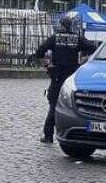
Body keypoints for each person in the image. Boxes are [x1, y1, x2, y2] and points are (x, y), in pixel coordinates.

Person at [33, 16, 96, 144]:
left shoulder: (55, 38)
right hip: (72, 76)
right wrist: (82, 63)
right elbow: (93, 49)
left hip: (57, 75)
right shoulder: (77, 38)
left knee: (54, 104)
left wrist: (47, 65)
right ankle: (74, 133)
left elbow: (39, 52)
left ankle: (48, 135)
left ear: (61, 25)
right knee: (72, 104)